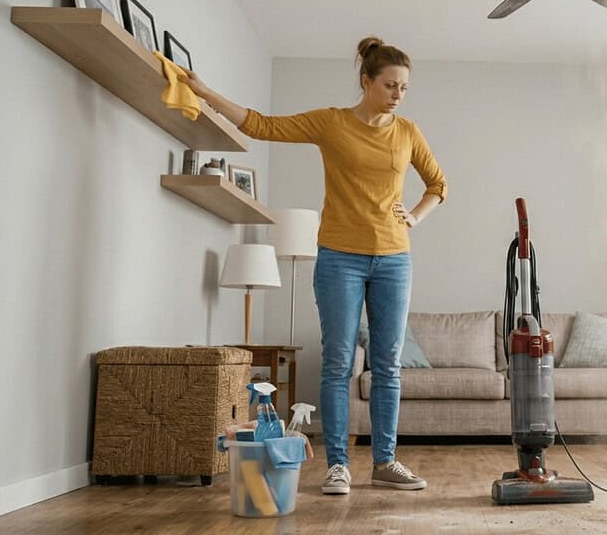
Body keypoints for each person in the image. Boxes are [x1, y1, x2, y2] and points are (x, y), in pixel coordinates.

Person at [180, 37, 447, 495]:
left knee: (387, 366)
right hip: (340, 258)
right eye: (390, 85)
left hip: (394, 259)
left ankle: (385, 462)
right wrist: (207, 94)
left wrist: (415, 216)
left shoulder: (408, 132)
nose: (399, 94)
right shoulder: (332, 123)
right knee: (339, 363)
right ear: (366, 81)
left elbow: (438, 184)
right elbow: (262, 125)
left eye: (404, 87)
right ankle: (338, 466)